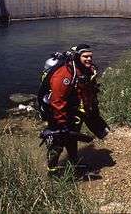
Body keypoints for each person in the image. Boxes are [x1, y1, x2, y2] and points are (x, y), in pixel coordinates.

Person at [44, 44, 109, 173]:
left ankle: (74, 163)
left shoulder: (87, 70)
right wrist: (61, 122)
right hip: (60, 114)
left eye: (90, 56)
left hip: (75, 112)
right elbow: (57, 101)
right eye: (85, 56)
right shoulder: (65, 73)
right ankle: (51, 169)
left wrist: (91, 109)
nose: (89, 59)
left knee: (72, 138)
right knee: (58, 141)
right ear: (78, 56)